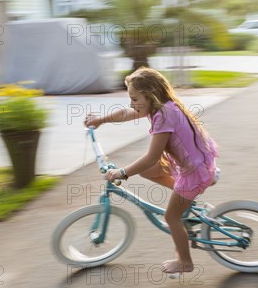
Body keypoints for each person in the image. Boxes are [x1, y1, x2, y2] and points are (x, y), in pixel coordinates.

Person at [84, 67, 218, 274]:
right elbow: (127, 113)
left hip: (194, 173)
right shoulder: (161, 107)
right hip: (194, 163)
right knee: (148, 172)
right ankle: (187, 201)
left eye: (135, 98)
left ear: (150, 95)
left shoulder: (164, 116)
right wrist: (101, 120)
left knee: (171, 217)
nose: (132, 104)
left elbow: (151, 158)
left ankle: (185, 262)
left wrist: (122, 172)